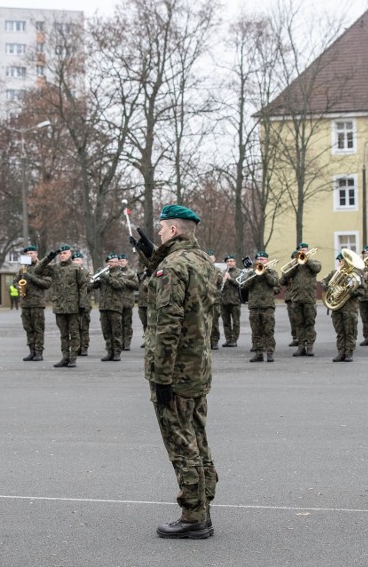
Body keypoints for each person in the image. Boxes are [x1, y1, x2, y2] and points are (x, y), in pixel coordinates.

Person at [132, 204, 218, 540]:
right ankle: (204, 505)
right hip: (198, 368)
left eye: (162, 229)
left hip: (176, 372)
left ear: (172, 230)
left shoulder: (172, 267)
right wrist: (152, 256)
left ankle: (194, 516)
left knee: (181, 444)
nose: (159, 234)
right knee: (197, 438)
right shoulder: (202, 262)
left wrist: (161, 377)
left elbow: (167, 325)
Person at [35, 244, 89, 367]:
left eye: (65, 253)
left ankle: (73, 357)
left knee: (74, 333)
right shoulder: (55, 268)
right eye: (61, 254)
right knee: (63, 334)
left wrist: (82, 304)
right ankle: (65, 357)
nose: (62, 255)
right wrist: (49, 257)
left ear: (70, 254)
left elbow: (82, 287)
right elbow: (38, 270)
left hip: (73, 306)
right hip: (59, 306)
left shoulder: (76, 268)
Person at [321, 253, 364, 362]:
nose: (340, 262)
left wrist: (352, 292)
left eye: (342, 260)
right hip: (337, 307)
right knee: (340, 331)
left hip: (350, 308)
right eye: (339, 261)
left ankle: (349, 353)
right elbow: (324, 281)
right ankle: (341, 352)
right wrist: (326, 286)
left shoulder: (356, 275)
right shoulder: (335, 273)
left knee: (350, 331)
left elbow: (362, 291)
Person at [281, 243, 321, 357]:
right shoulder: (294, 264)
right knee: (299, 324)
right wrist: (296, 263)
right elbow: (285, 277)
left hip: (309, 298)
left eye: (305, 250)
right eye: (301, 250)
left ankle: (310, 347)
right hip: (296, 298)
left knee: (310, 323)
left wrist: (306, 260)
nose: (303, 252)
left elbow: (317, 269)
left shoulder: (314, 262)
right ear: (298, 252)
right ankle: (301, 347)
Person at [241, 251, 280, 362]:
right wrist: (254, 274)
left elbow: (274, 282)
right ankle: (258, 353)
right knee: (256, 331)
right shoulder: (251, 273)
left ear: (267, 261)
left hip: (267, 306)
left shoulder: (272, 272)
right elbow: (244, 285)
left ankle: (270, 353)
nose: (260, 261)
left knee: (268, 331)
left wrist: (265, 272)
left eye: (263, 259)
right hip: (254, 305)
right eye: (258, 259)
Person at [19, 245, 52, 362]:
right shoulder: (23, 268)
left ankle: (39, 352)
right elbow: (16, 282)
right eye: (27, 254)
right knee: (28, 328)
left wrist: (31, 278)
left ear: (36, 254)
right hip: (25, 303)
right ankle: (31, 351)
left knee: (38, 329)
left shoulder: (43, 267)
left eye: (32, 253)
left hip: (37, 303)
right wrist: (18, 285)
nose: (30, 255)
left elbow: (47, 284)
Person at [92, 253, 126, 361]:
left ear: (117, 263)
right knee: (106, 331)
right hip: (104, 307)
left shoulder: (120, 274)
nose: (112, 264)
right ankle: (109, 352)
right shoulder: (104, 274)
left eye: (114, 262)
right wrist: (96, 278)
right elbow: (93, 286)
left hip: (115, 307)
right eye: (110, 262)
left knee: (116, 331)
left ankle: (117, 353)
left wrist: (107, 278)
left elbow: (119, 285)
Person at [116, 254, 139, 351]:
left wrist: (126, 281)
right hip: (117, 302)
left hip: (127, 302)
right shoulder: (115, 273)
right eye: (120, 261)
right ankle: (119, 342)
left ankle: (127, 343)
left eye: (123, 261)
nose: (121, 262)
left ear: (127, 262)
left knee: (127, 324)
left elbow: (137, 286)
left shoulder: (131, 273)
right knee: (118, 324)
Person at [72, 251, 91, 356]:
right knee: (75, 328)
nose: (76, 262)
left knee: (84, 327)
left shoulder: (86, 272)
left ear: (82, 261)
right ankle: (76, 347)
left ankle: (84, 347)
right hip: (73, 304)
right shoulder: (70, 272)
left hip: (85, 304)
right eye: (74, 260)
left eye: (78, 260)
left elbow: (89, 286)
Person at [220, 255, 241, 347]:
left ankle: (234, 340)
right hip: (224, 300)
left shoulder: (239, 272)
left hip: (235, 301)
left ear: (235, 262)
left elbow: (240, 284)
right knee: (226, 322)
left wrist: (230, 279)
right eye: (228, 261)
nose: (229, 263)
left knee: (236, 322)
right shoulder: (222, 272)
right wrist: (222, 280)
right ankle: (228, 339)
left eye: (231, 261)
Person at [281, 251, 300, 348]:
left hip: (300, 296)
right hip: (290, 296)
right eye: (294, 258)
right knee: (292, 319)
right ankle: (295, 338)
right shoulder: (288, 268)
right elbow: (282, 281)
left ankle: (303, 338)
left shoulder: (303, 268)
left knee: (301, 319)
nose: (295, 260)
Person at [207, 251, 222, 350]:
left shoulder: (217, 270)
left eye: (211, 258)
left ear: (214, 259)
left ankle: (215, 340)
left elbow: (219, 283)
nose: (210, 260)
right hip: (204, 299)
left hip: (215, 300)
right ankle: (207, 341)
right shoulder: (201, 269)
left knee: (215, 322)